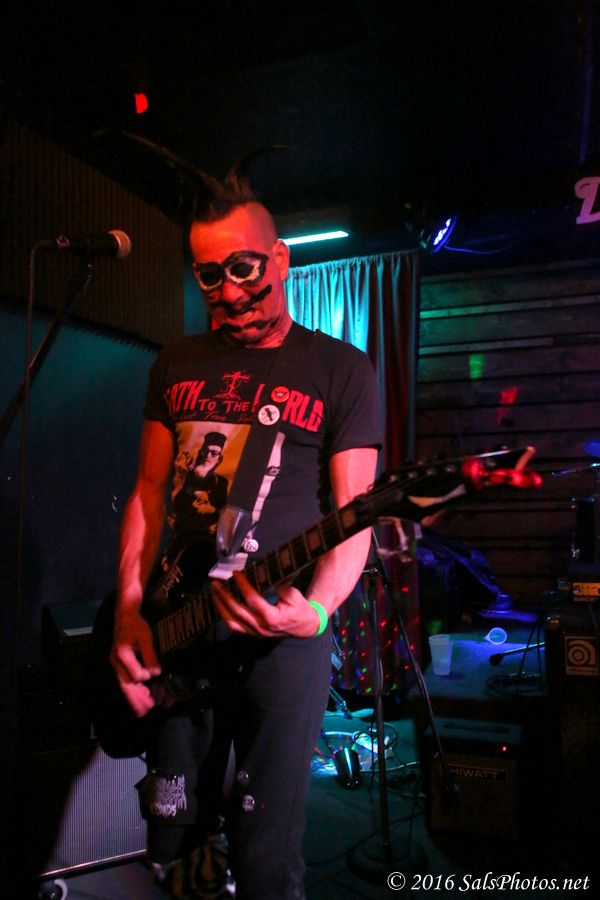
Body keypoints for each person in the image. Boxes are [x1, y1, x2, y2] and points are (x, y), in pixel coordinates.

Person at [109, 166, 383, 900]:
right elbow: (148, 493)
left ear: (280, 259)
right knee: (175, 845)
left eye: (244, 268)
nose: (229, 291)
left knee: (265, 860)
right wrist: (130, 609)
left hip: (278, 643)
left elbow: (355, 513)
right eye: (210, 275)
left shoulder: (341, 370)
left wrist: (317, 611)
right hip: (177, 630)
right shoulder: (176, 363)